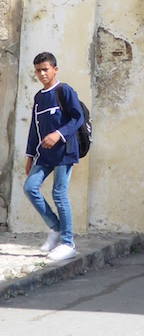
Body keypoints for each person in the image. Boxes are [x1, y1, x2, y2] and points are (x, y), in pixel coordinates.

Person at [23, 52, 84, 261]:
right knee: (30, 188)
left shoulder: (64, 91)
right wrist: (30, 155)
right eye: (38, 70)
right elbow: (34, 127)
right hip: (43, 155)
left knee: (59, 194)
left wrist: (58, 134)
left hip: (65, 153)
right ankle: (55, 229)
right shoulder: (39, 97)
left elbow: (78, 118)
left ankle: (68, 243)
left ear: (55, 70)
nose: (41, 74)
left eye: (45, 69)